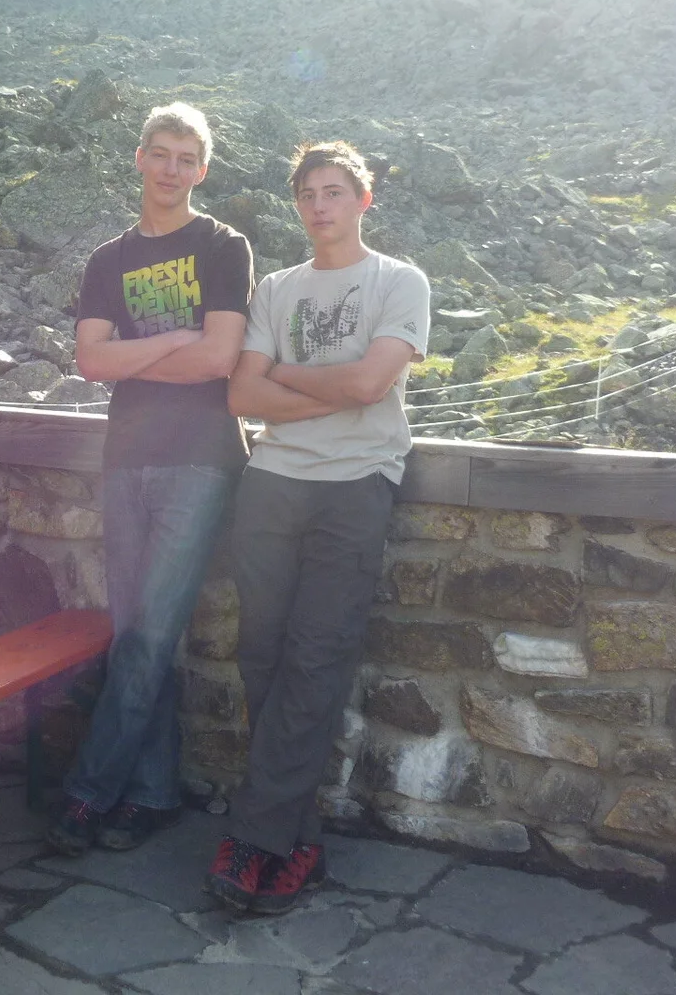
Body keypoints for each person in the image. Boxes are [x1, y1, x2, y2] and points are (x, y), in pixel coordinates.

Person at [206, 140, 430, 915]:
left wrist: (287, 378)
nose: (321, 206)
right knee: (263, 654)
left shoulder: (399, 281)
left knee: (318, 655)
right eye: (308, 194)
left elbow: (375, 381)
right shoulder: (277, 287)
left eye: (335, 191)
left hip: (356, 486)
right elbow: (240, 397)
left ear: (363, 200)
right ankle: (292, 839)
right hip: (271, 483)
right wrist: (337, 388)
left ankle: (255, 838)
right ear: (297, 204)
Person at [47, 102, 255, 855]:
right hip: (125, 455)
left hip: (200, 456)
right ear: (139, 158)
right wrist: (175, 336)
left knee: (147, 632)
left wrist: (140, 352)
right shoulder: (109, 260)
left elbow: (219, 358)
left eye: (186, 158)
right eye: (159, 153)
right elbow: (90, 362)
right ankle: (155, 793)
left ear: (202, 171)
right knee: (140, 633)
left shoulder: (224, 245)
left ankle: (88, 790)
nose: (171, 168)